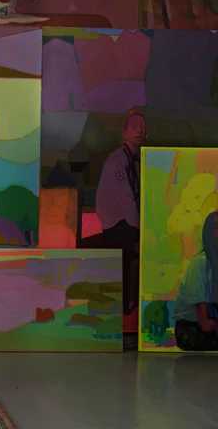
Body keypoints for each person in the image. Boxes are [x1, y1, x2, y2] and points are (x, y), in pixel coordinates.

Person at [96, 109, 146, 317]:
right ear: (125, 133)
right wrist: (141, 230)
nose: (139, 130)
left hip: (127, 222)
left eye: (142, 127)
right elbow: (126, 200)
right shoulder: (117, 161)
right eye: (134, 127)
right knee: (140, 246)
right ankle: (125, 308)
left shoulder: (137, 161)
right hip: (115, 223)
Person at [172, 211, 218, 351]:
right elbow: (205, 324)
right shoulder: (201, 263)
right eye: (216, 226)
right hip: (190, 330)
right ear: (208, 232)